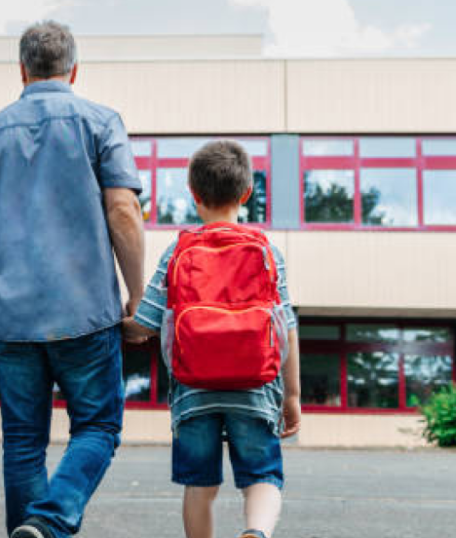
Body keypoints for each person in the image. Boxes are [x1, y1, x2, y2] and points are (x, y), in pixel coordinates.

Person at [0, 20, 145, 538]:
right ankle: (51, 519)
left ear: (22, 69)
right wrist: (139, 295)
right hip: (86, 315)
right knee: (99, 427)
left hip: (13, 320)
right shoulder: (101, 122)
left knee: (22, 443)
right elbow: (123, 209)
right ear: (74, 69)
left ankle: (32, 529)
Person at [124, 141, 302, 538]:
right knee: (263, 478)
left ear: (193, 194)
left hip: (194, 392)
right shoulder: (268, 252)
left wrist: (119, 321)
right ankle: (255, 532)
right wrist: (291, 396)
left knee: (200, 486)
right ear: (246, 193)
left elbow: (145, 325)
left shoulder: (178, 251)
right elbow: (285, 326)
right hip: (257, 388)